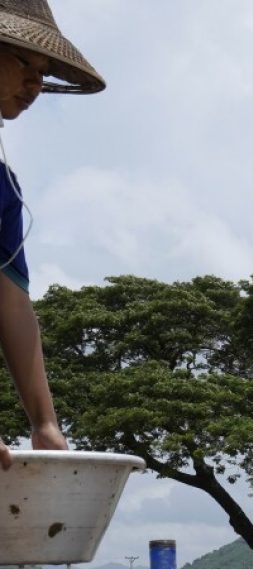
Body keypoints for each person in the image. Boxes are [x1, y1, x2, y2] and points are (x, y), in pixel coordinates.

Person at [0, 1, 104, 470]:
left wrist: (45, 423)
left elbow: (11, 302)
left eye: (44, 73)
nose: (37, 85)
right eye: (26, 63)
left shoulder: (4, 187)